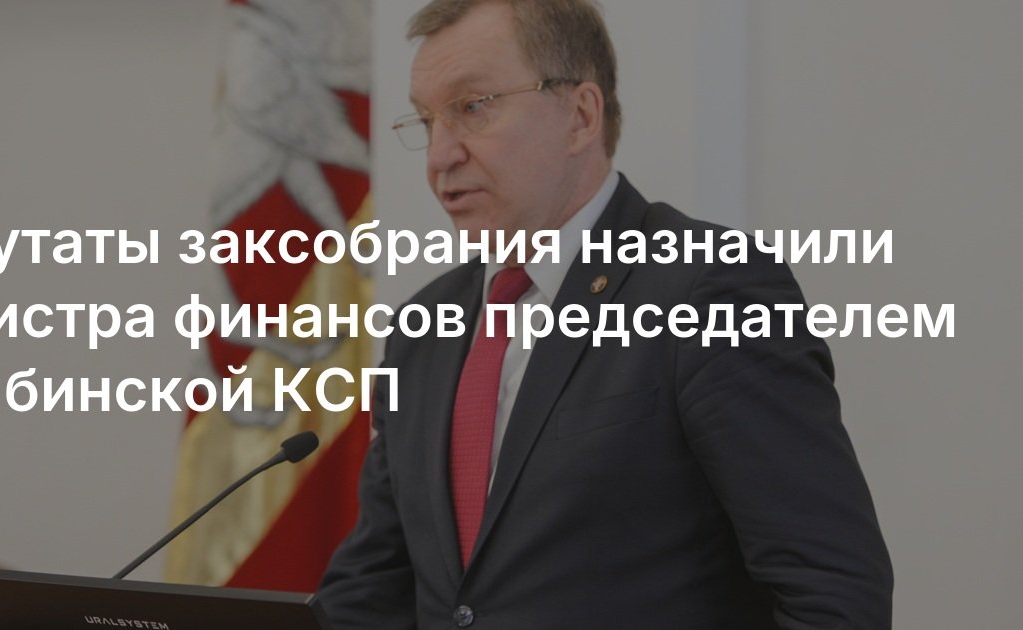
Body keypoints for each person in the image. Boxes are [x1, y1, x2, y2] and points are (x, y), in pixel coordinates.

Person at [318, 1, 893, 627]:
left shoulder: (706, 290)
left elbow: (833, 591)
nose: (439, 156)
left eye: (473, 107)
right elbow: (370, 593)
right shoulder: (423, 326)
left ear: (581, 116)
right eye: (427, 121)